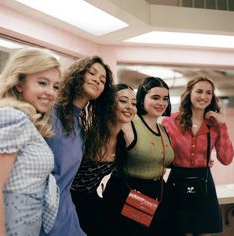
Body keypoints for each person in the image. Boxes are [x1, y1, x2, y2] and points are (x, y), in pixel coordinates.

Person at [41, 55, 115, 236]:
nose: (97, 80)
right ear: (77, 74)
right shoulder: (48, 112)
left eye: (103, 80)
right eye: (92, 73)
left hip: (64, 213)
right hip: (37, 213)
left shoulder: (81, 128)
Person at [0, 47, 60, 236]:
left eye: (55, 86)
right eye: (42, 83)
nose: (50, 92)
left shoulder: (27, 120)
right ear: (19, 84)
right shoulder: (12, 117)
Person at [103, 77, 176, 236]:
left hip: (158, 193)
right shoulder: (128, 121)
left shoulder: (163, 129)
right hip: (129, 193)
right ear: (142, 98)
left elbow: (164, 159)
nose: (161, 103)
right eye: (155, 97)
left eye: (165, 99)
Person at [162, 76, 234, 236]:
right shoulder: (171, 121)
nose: (204, 96)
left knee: (205, 232)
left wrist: (222, 125)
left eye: (209, 93)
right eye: (199, 91)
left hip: (205, 183)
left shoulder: (214, 124)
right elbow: (163, 156)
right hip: (177, 182)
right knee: (179, 231)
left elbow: (227, 158)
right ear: (189, 93)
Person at [70, 83, 137, 236]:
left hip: (92, 200)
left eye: (133, 103)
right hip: (69, 202)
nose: (129, 106)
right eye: (123, 101)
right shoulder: (88, 135)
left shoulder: (123, 140)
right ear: (109, 104)